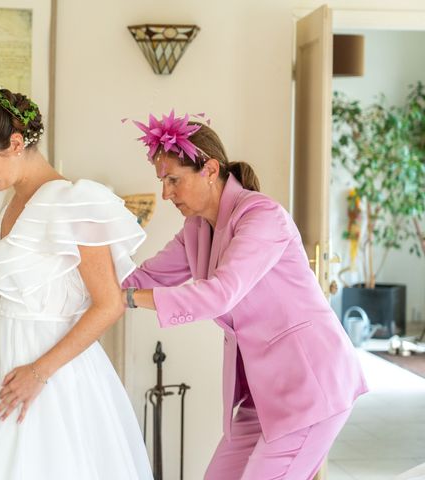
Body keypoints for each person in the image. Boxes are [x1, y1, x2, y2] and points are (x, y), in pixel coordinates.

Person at [119, 111, 368, 479]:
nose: (165, 193)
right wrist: (89, 283)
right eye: (162, 181)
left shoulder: (262, 216)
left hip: (310, 386)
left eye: (173, 180)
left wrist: (128, 300)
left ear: (210, 169)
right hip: (262, 395)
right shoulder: (197, 228)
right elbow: (145, 276)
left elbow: (220, 294)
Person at [0, 86, 153, 480]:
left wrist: (38, 373)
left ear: (16, 143)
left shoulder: (76, 201)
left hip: (53, 378)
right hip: (9, 369)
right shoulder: (6, 203)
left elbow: (109, 304)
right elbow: (34, 293)